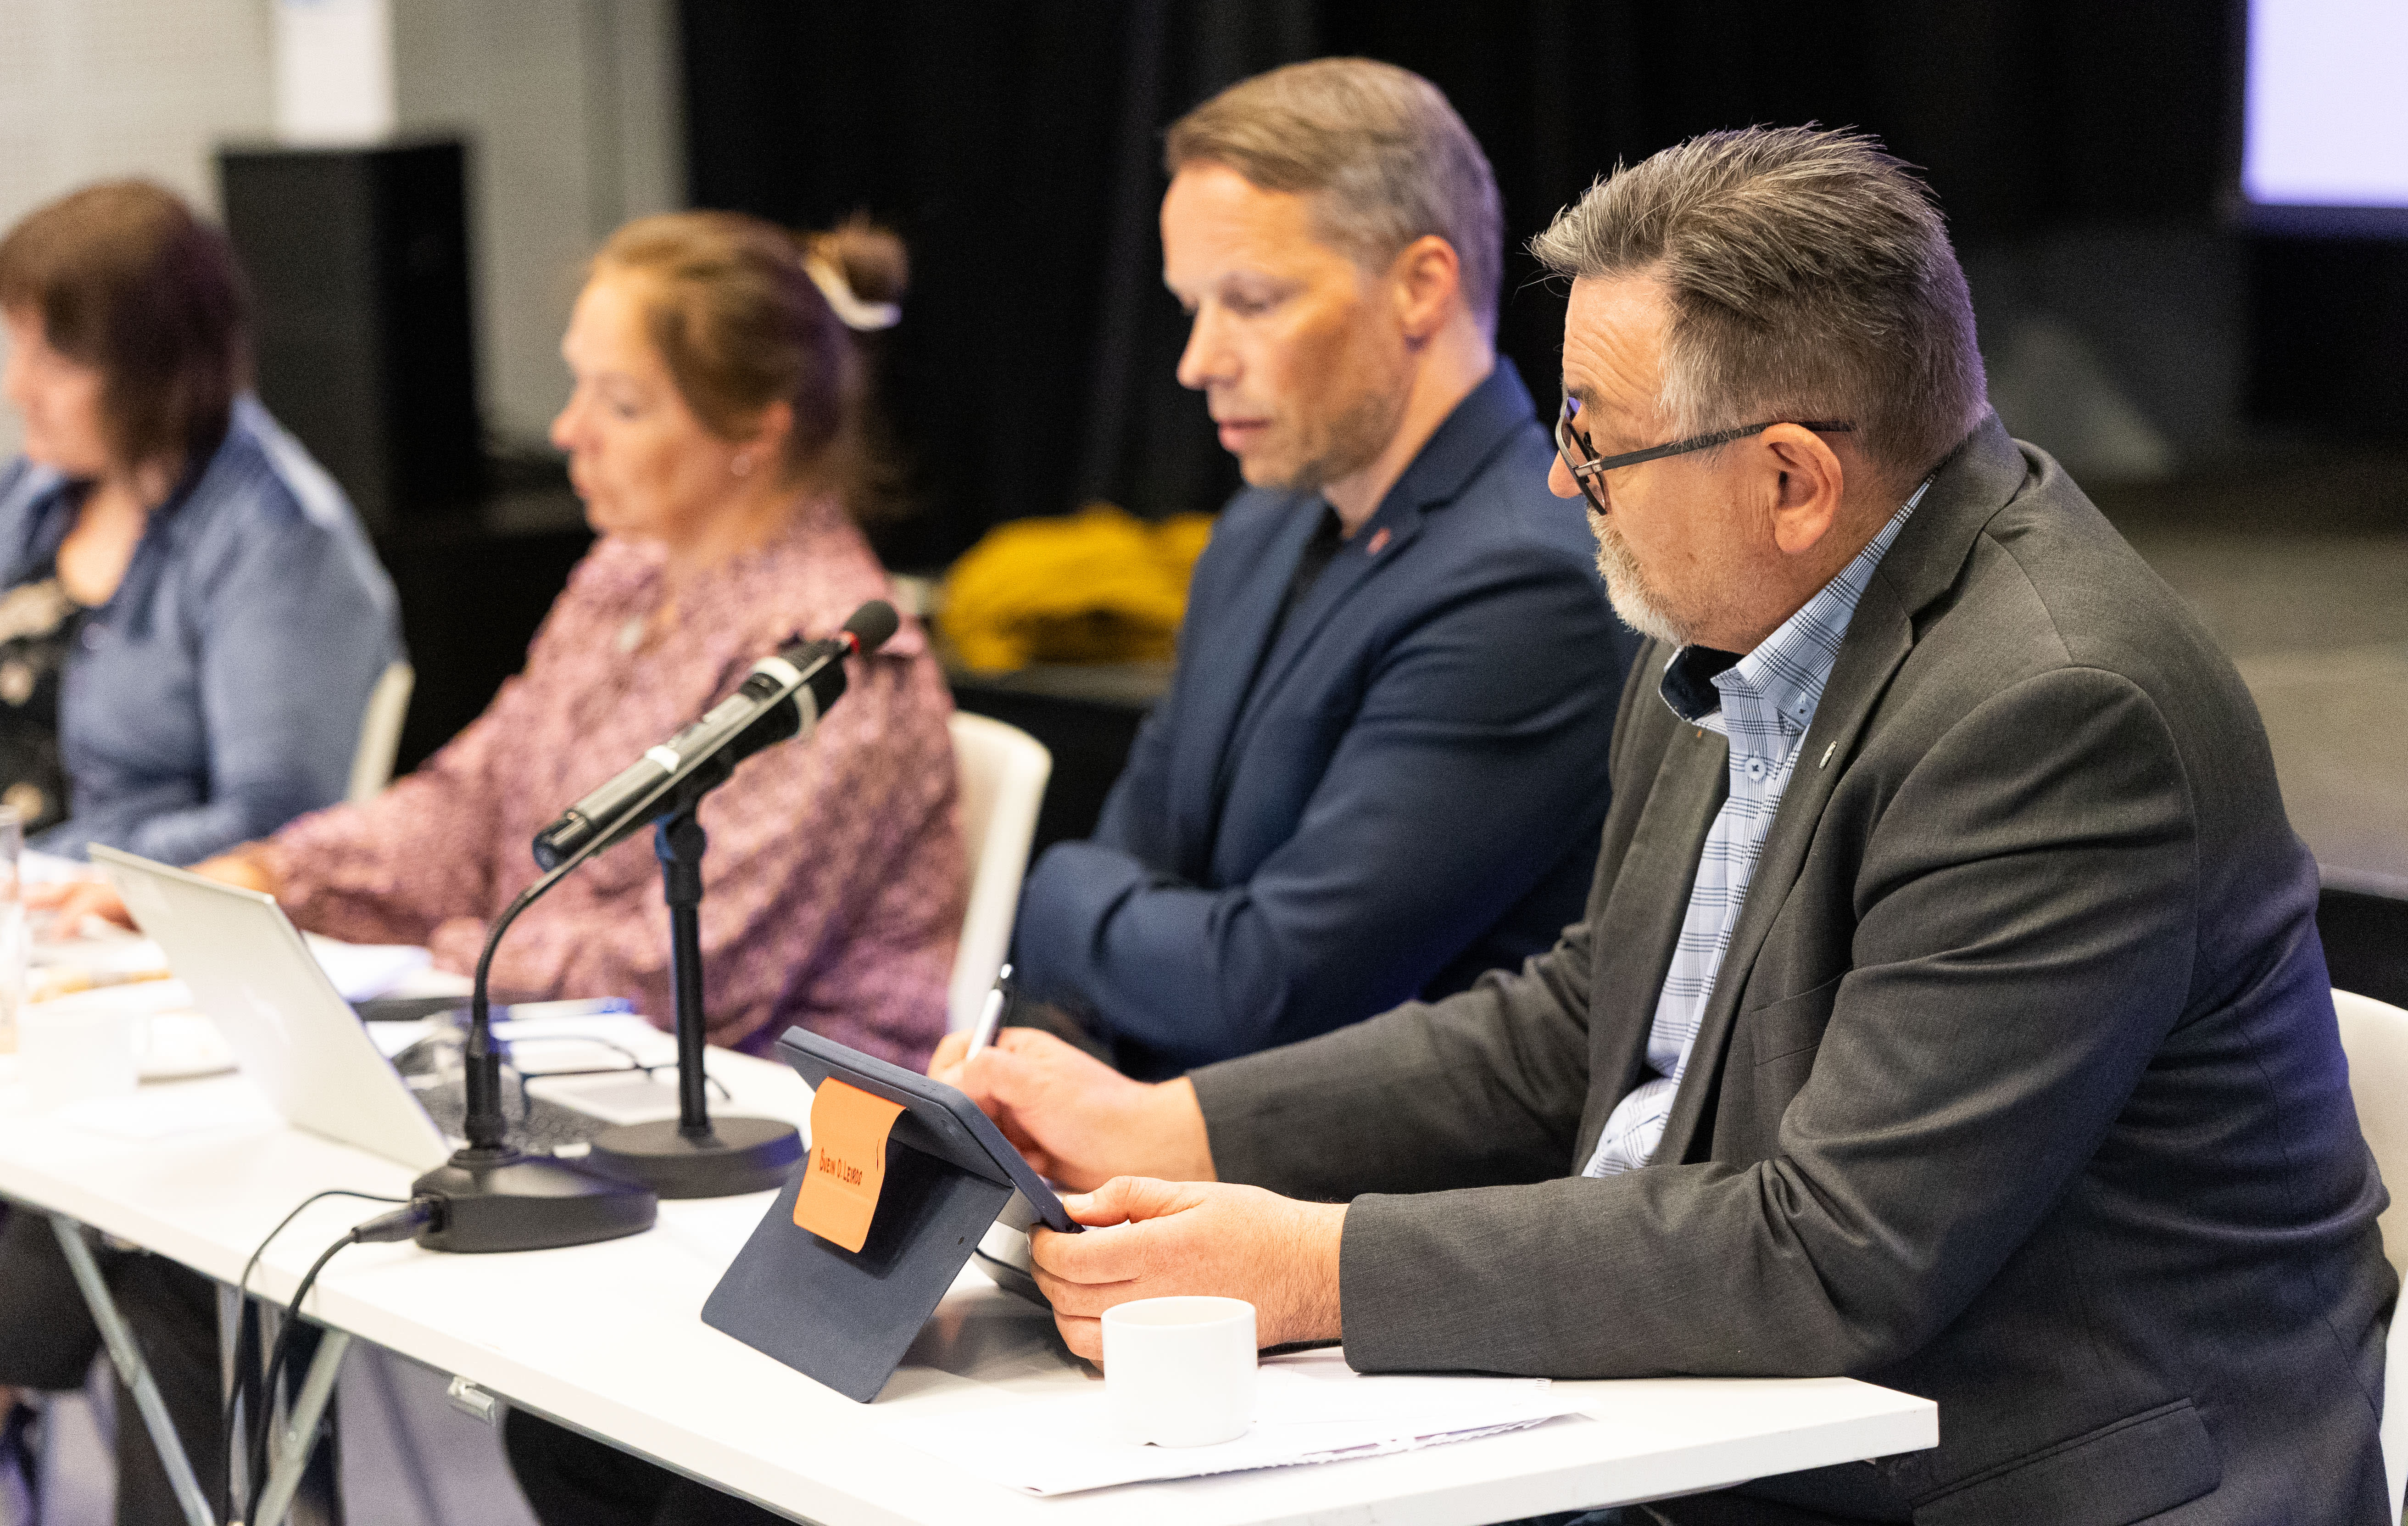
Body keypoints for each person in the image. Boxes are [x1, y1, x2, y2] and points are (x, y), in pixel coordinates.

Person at [939, 128, 2394, 1525]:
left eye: (1596, 438)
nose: (1560, 477)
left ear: (1790, 480)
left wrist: (1317, 1267)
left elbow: (1836, 1256)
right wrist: (1174, 1125)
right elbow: (1585, 1022)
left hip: (1999, 1483)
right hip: (1708, 1438)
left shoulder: (2058, 718)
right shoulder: (1724, 610)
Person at [0, 211, 964, 1526]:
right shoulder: (627, 579)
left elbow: (683, 973)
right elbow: (466, 803)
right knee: (188, 1215)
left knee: (215, 1190)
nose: (567, 432)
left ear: (754, 429)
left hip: (773, 1171)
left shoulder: (832, 664)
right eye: (579, 388)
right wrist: (270, 873)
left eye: (619, 403)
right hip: (576, 1086)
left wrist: (431, 955)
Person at [0, 179, 399, 1526]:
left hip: (115, 952)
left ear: (156, 365)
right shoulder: (29, 494)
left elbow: (277, 820)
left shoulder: (282, 540)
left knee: (166, 1195)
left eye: (49, 356)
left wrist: (11, 865)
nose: (13, 388)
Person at [1008, 58, 1628, 1079]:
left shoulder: (1526, 583)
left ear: (1421, 287)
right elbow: (1149, 856)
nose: (1198, 362)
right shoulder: (1261, 527)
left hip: (1367, 1171)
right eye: (1192, 306)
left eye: (1251, 302)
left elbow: (1263, 994)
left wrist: (1051, 890)